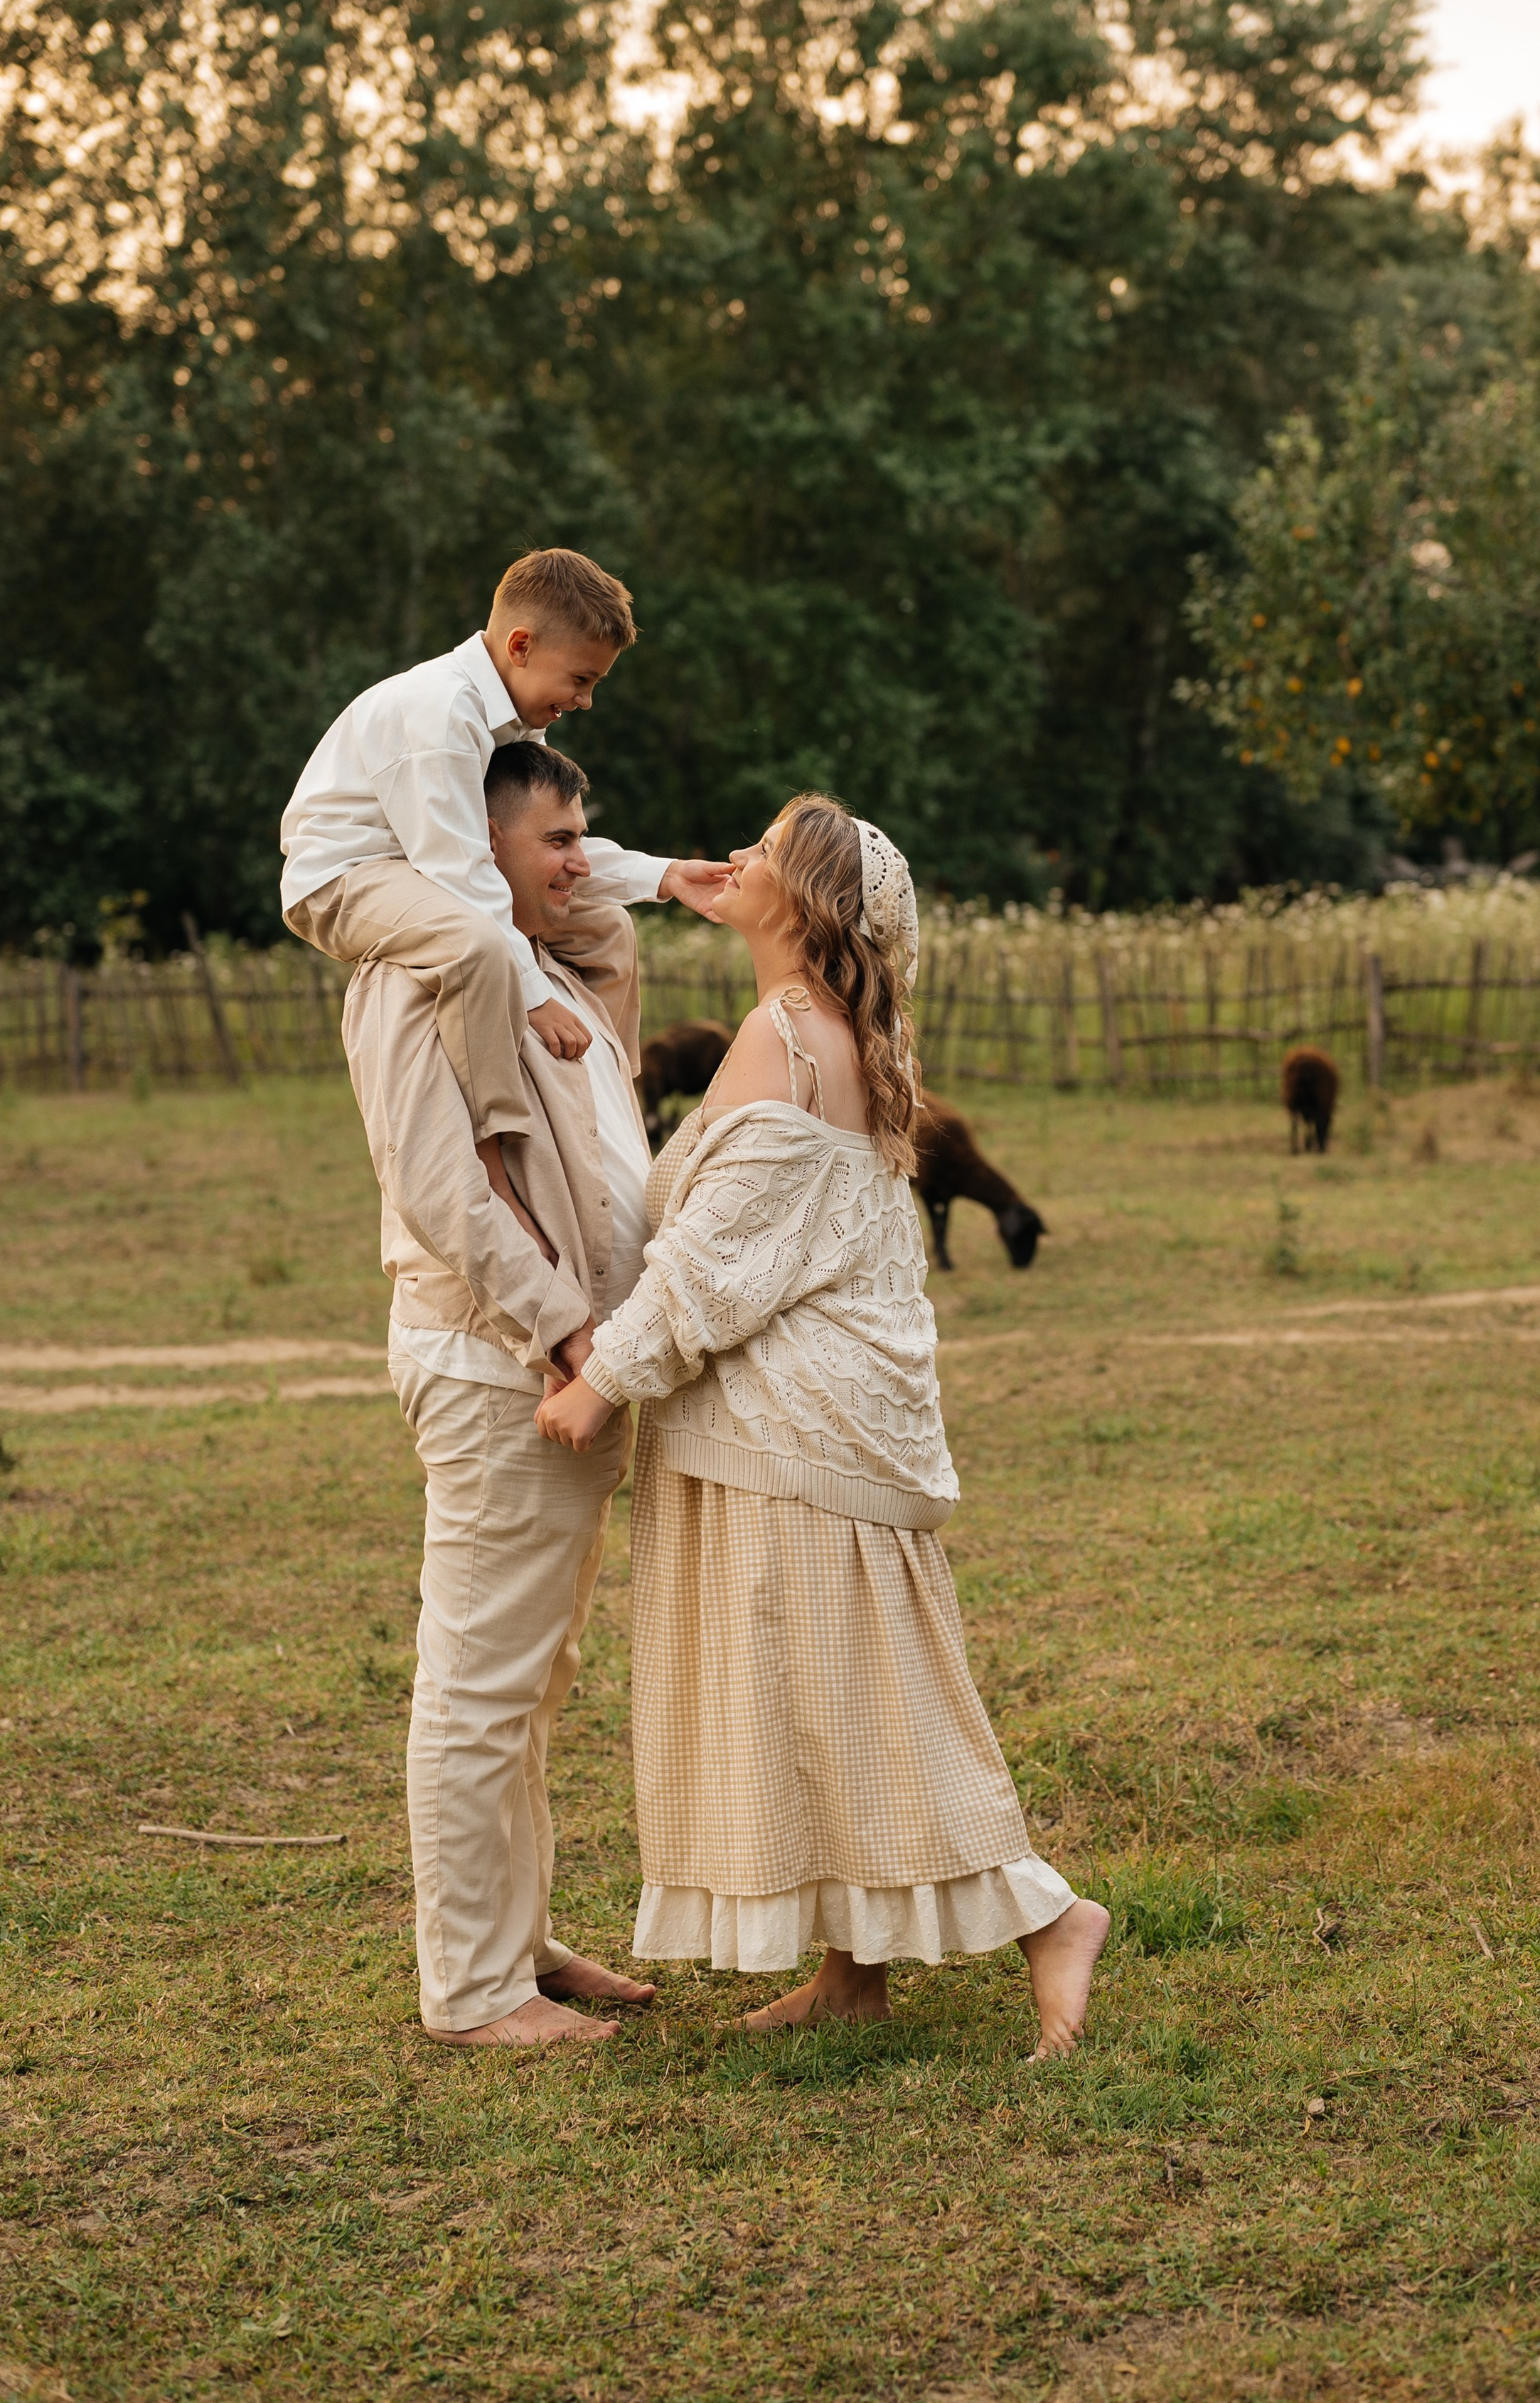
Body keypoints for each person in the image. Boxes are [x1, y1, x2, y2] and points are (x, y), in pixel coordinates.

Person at [535, 796, 1111, 2058]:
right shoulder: (830, 1028)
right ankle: (851, 1974)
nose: (736, 858)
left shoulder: (787, 1031)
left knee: (864, 1693)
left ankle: (1051, 1915)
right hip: (817, 1416)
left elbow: (714, 1262)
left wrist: (601, 1379)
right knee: (819, 1694)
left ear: (807, 904)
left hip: (792, 1429)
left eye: (766, 852)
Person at [342, 739, 660, 2048]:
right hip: (501, 1364)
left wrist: (578, 903)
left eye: (587, 833)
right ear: (475, 851)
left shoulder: (537, 966)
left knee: (534, 1672)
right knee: (480, 1680)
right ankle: (472, 1990)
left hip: (562, 1361)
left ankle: (518, 1935)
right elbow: (445, 1187)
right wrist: (569, 1332)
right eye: (558, 838)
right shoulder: (417, 975)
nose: (582, 861)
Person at [282, 545, 728, 1142]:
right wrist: (535, 997)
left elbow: (543, 846)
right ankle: (499, 1133)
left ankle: (615, 1100)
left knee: (608, 932)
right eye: (581, 678)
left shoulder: (514, 720)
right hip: (348, 878)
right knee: (477, 944)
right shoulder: (442, 712)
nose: (586, 700)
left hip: (421, 869)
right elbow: (460, 871)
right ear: (521, 647)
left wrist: (666, 875)